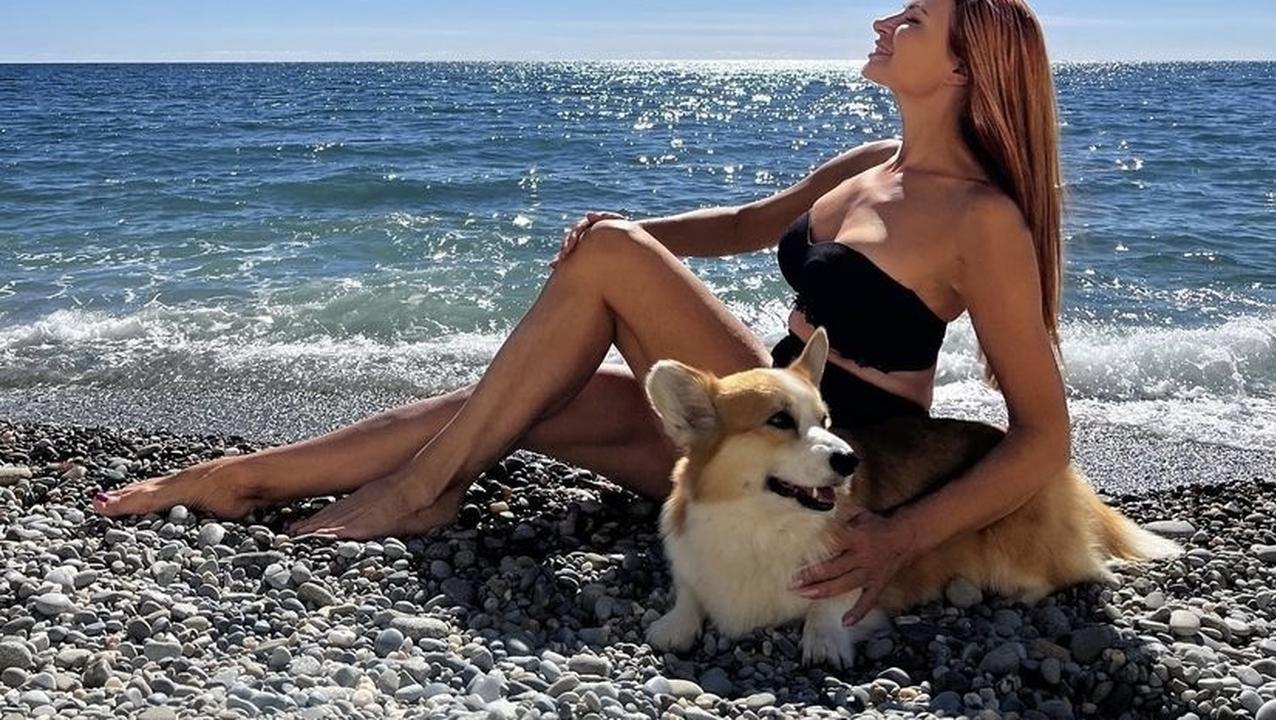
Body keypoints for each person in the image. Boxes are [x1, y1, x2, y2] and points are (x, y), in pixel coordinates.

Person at [93, 0, 1070, 627]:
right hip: (740, 446)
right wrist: (625, 230)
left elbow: (1044, 435)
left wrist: (901, 538)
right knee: (507, 404)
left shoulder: (980, 219)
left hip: (837, 455)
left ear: (962, 66)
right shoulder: (868, 166)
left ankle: (420, 492)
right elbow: (742, 226)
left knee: (598, 278)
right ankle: (236, 479)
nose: (883, 21)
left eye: (913, 19)